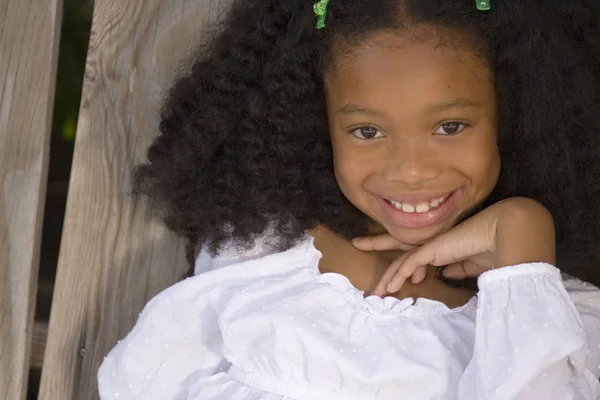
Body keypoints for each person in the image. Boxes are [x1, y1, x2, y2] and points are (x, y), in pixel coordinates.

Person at [98, 0, 600, 398]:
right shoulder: (263, 256)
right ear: (314, 121)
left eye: (450, 126)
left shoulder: (560, 316)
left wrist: (522, 244)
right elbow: (141, 380)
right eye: (366, 130)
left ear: (518, 114)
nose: (410, 170)